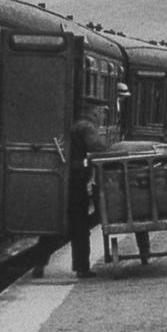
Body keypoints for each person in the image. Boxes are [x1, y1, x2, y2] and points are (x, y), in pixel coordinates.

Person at [68, 106, 106, 278]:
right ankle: (82, 267)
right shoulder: (87, 126)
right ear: (95, 111)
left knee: (69, 223)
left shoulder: (78, 124)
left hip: (70, 177)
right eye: (103, 112)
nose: (104, 117)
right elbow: (98, 146)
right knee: (80, 225)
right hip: (76, 180)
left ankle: (39, 261)